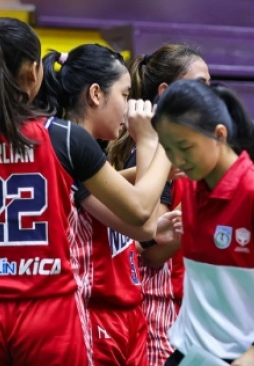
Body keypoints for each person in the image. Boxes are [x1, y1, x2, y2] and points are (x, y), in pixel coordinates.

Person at [0, 17, 164, 365]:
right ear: (33, 75)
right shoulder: (63, 136)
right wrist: (160, 145)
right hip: (46, 313)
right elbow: (141, 213)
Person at [151, 79, 254, 366]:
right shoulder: (190, 188)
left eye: (185, 146)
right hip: (196, 353)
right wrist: (162, 234)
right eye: (168, 149)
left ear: (220, 134)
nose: (176, 159)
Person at [36, 43, 170, 366]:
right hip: (95, 316)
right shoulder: (71, 150)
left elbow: (119, 193)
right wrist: (156, 142)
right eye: (125, 96)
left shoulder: (87, 157)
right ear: (96, 94)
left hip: (128, 313)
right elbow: (144, 222)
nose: (129, 107)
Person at [106, 44, 210, 365]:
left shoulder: (171, 148)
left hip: (178, 305)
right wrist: (186, 230)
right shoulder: (153, 151)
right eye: (200, 85)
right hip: (156, 303)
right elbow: (150, 248)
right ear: (166, 92)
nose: (209, 97)